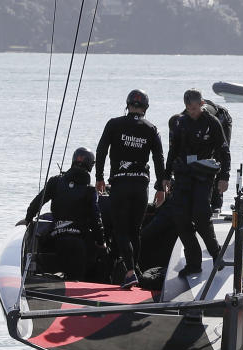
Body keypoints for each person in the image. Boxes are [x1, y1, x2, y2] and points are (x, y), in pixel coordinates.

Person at [95, 89, 167, 289]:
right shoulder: (151, 129)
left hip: (120, 183)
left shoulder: (114, 124)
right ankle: (136, 268)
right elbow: (159, 158)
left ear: (127, 105)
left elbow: (101, 150)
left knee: (121, 230)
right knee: (135, 231)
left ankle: (130, 272)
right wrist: (161, 187)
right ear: (146, 107)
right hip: (140, 185)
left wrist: (99, 177)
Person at [165, 89, 231, 276]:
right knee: (181, 219)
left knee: (201, 217)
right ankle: (194, 263)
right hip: (184, 175)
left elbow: (223, 151)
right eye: (188, 108)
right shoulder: (181, 122)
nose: (192, 112)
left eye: (194, 108)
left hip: (203, 175)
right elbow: (173, 150)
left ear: (201, 104)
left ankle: (216, 254)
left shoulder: (212, 122)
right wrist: (165, 175)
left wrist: (224, 177)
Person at [20, 147, 105, 281]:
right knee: (82, 276)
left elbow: (38, 201)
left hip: (57, 241)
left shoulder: (55, 181)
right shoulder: (90, 191)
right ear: (90, 165)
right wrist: (101, 242)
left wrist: (28, 219)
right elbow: (96, 220)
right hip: (80, 244)